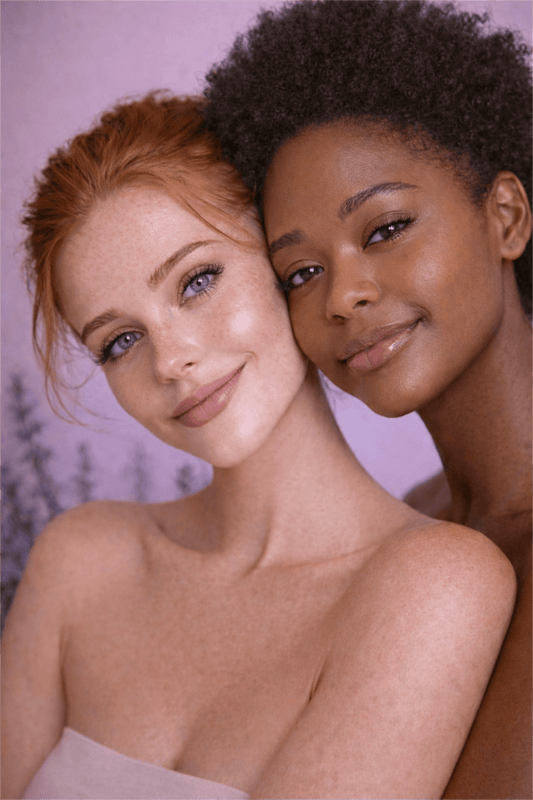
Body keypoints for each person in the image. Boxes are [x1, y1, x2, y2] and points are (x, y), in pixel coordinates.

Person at [0, 93, 516, 800]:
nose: (170, 361)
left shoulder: (435, 585)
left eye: (197, 281)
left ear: (281, 260)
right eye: (119, 341)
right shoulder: (77, 561)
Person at [203, 0, 533, 797]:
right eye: (301, 274)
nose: (341, 297)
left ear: (505, 217)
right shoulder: (418, 526)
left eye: (383, 229)